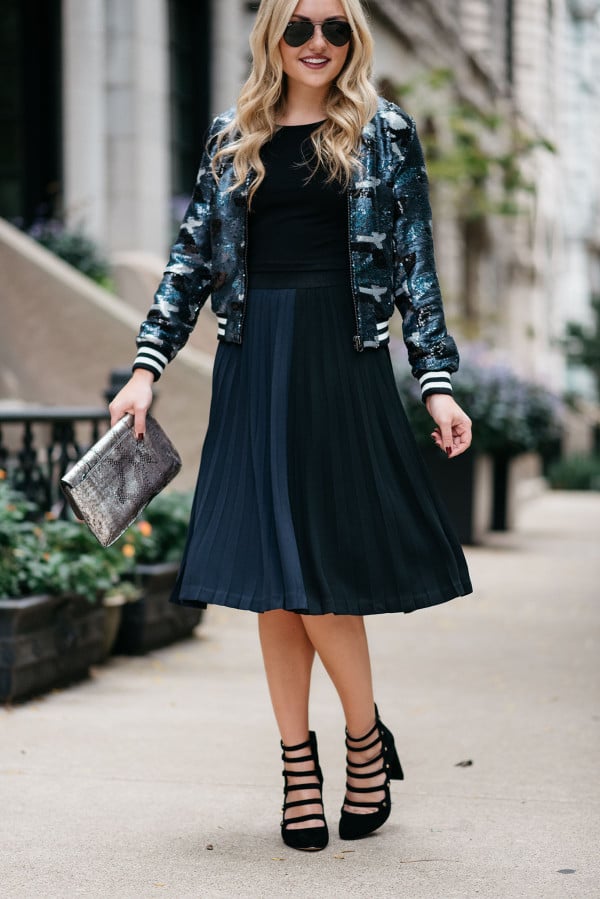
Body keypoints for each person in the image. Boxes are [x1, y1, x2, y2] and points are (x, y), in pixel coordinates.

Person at [109, 0, 473, 852]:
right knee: (276, 576)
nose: (317, 44)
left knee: (320, 574)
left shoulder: (385, 133)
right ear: (271, 35)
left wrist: (437, 382)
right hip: (252, 358)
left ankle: (362, 741)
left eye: (335, 28)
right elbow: (191, 260)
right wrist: (144, 369)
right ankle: (298, 765)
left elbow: (416, 262)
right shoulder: (232, 133)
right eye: (300, 28)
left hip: (339, 363)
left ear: (355, 38)